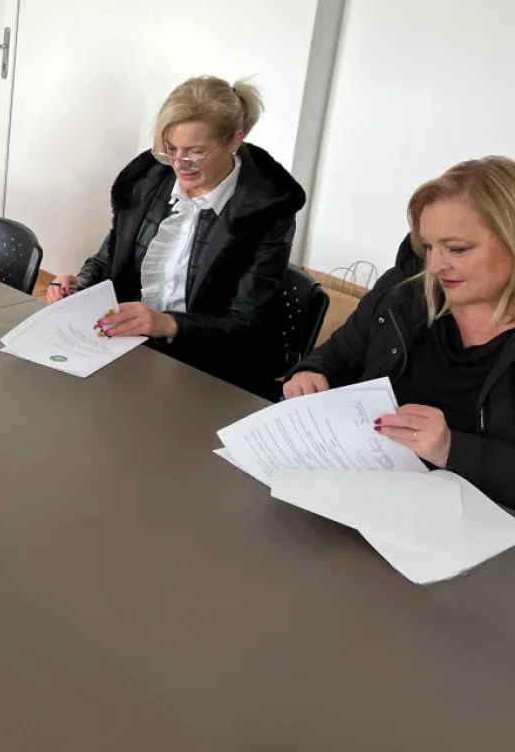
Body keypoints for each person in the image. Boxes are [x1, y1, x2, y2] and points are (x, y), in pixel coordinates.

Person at [48, 76, 306, 395]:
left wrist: (166, 323)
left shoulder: (267, 211)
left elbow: (246, 323)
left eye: (196, 152)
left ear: (234, 141)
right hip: (132, 350)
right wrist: (78, 284)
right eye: (171, 149)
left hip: (210, 369)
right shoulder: (148, 183)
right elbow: (108, 260)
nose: (180, 164)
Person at [284, 157, 515, 507]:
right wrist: (312, 372)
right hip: (362, 494)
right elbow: (343, 352)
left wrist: (452, 449)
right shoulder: (406, 290)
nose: (435, 266)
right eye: (429, 247)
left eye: (456, 249)